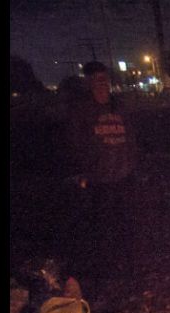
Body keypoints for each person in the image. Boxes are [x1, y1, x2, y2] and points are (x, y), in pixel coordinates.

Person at [56, 61, 139, 292]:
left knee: (126, 221)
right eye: (96, 80)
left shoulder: (117, 106)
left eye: (104, 79)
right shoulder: (82, 110)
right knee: (102, 224)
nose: (101, 84)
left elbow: (130, 137)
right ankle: (105, 270)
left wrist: (132, 163)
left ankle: (128, 264)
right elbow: (74, 143)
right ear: (88, 83)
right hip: (99, 179)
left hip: (123, 174)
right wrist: (83, 171)